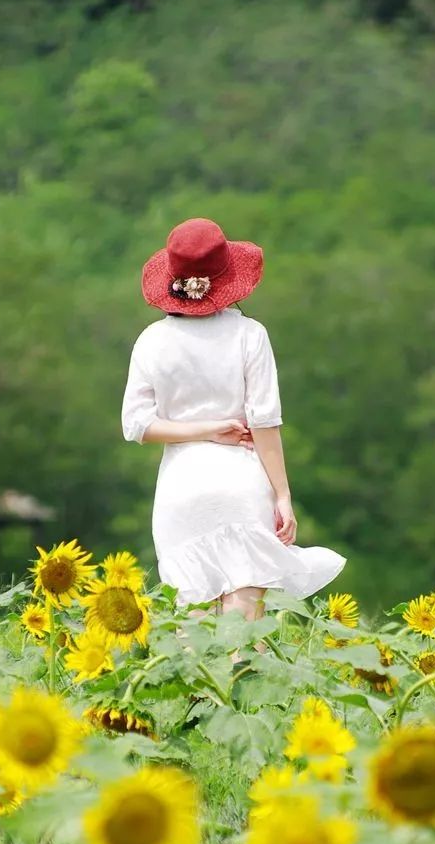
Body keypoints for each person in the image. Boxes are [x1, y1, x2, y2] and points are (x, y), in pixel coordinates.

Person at [121, 217, 346, 620]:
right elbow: (264, 421)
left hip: (181, 489)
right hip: (241, 484)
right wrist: (282, 495)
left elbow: (136, 425)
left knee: (192, 635)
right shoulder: (250, 334)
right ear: (225, 279)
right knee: (244, 631)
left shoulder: (151, 341)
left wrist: (203, 429)